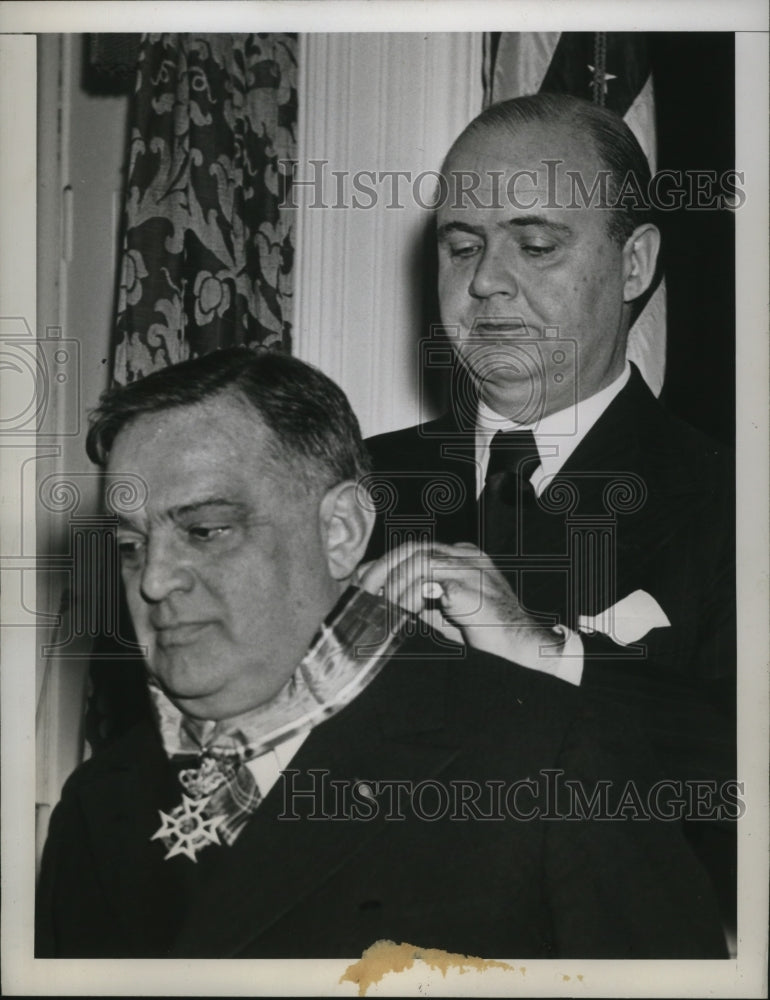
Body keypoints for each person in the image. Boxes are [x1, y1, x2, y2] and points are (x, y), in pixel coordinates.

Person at [36, 347, 727, 959]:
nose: (154, 579)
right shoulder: (100, 805)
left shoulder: (549, 758)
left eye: (207, 530)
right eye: (130, 547)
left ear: (341, 530)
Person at [363, 94, 736, 926]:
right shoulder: (349, 483)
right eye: (462, 247)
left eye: (536, 245)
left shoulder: (734, 504)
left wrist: (547, 653)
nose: (486, 281)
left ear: (634, 264)